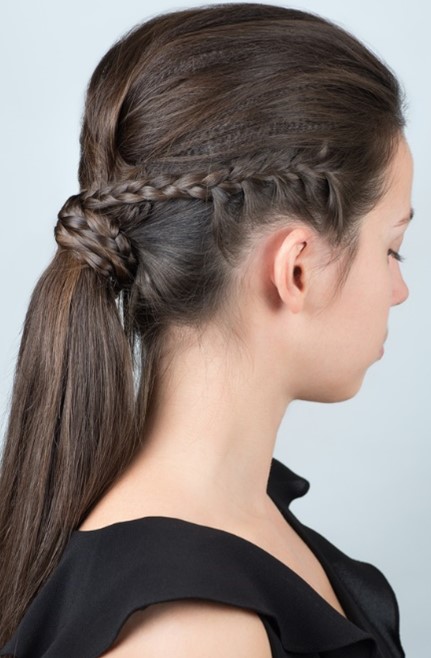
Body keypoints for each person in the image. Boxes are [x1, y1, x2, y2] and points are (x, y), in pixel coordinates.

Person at [0, 3, 413, 657]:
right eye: (392, 248)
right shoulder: (190, 633)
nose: (399, 289)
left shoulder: (242, 522)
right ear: (296, 268)